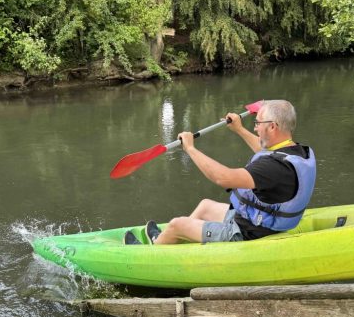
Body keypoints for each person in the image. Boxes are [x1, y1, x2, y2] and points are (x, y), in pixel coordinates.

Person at [124, 99, 316, 245]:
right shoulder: (294, 152)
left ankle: (155, 249)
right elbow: (264, 150)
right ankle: (176, 245)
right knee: (205, 206)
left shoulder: (272, 168)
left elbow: (223, 178)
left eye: (258, 123)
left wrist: (190, 149)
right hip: (258, 222)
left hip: (247, 232)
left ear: (272, 126)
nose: (255, 127)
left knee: (176, 224)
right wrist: (239, 130)